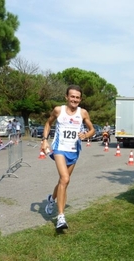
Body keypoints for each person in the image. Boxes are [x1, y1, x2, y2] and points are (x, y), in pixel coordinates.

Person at [41, 85, 95, 230]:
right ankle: (60, 217)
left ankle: (51, 199)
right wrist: (45, 140)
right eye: (72, 96)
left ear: (80, 99)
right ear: (66, 97)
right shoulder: (59, 110)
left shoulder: (83, 113)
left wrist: (86, 135)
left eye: (77, 97)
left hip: (74, 151)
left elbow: (92, 130)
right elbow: (48, 123)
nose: (74, 100)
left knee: (62, 182)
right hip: (59, 149)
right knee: (65, 179)